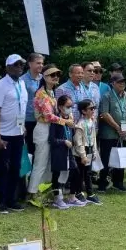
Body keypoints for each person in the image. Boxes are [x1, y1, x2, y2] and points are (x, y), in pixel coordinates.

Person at [0, 54, 29, 214]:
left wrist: (23, 126)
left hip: (18, 132)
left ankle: (12, 199)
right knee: (4, 167)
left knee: (16, 167)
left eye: (21, 65)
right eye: (16, 65)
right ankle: (1, 201)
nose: (19, 67)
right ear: (7, 67)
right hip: (4, 133)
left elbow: (22, 107)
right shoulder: (0, 85)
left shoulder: (21, 83)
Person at [29, 64, 73, 199]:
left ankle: (41, 190)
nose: (55, 77)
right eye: (52, 75)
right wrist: (65, 121)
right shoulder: (41, 93)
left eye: (57, 75)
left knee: (48, 163)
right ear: (44, 77)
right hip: (43, 128)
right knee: (41, 162)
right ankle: (32, 192)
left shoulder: (51, 92)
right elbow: (48, 116)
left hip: (51, 128)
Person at [97, 73, 126, 192]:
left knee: (121, 159)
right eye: (119, 82)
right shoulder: (107, 96)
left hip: (123, 134)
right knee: (106, 159)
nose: (122, 83)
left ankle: (118, 183)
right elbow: (104, 113)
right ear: (113, 83)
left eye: (123, 81)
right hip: (109, 134)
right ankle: (102, 183)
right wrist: (117, 127)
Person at [49, 95, 85, 208]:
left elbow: (72, 134)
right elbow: (51, 139)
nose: (70, 108)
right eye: (68, 106)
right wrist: (63, 142)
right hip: (59, 152)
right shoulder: (56, 120)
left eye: (72, 106)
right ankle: (57, 199)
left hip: (69, 151)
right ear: (60, 107)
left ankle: (72, 197)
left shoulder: (70, 119)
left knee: (76, 173)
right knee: (58, 175)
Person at [72, 99, 102, 205]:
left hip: (89, 149)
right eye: (91, 108)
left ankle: (90, 194)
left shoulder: (91, 121)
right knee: (80, 173)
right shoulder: (80, 124)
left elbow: (93, 137)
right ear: (83, 111)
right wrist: (83, 155)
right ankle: (78, 192)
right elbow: (78, 141)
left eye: (94, 108)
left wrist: (94, 151)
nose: (93, 110)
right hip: (81, 152)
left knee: (88, 173)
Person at [21, 53, 45, 156]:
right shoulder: (22, 80)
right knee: (30, 150)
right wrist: (22, 124)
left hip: (42, 120)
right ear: (30, 64)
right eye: (38, 63)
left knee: (40, 150)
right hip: (28, 120)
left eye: (42, 63)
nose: (41, 65)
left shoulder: (44, 78)